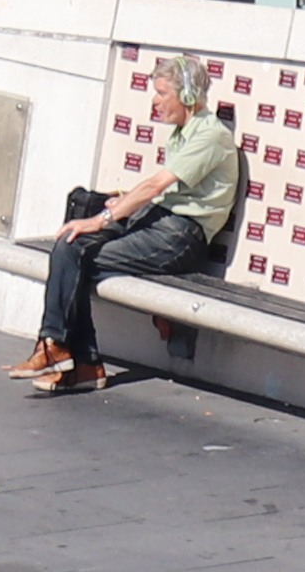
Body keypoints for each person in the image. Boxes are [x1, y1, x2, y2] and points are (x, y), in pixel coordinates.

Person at [16, 56, 244, 395]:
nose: (155, 101)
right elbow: (159, 192)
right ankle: (61, 349)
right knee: (69, 245)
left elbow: (156, 186)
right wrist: (119, 201)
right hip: (157, 222)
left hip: (180, 236)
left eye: (162, 93)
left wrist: (101, 219)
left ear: (188, 96)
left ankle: (70, 355)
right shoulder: (184, 132)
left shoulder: (210, 136)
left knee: (77, 259)